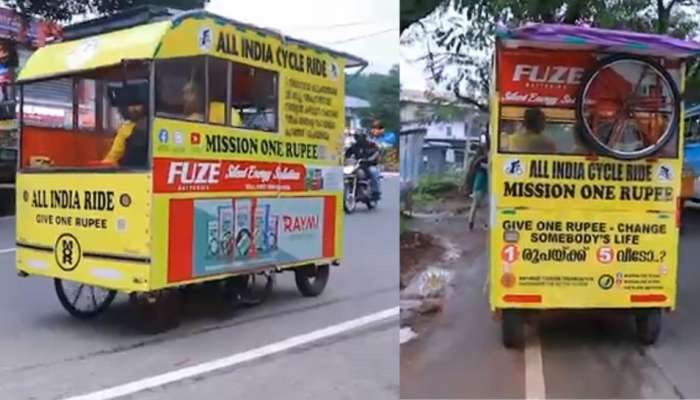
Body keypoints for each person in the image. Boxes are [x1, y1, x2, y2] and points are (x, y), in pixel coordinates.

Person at [102, 85, 149, 167]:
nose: (134, 109)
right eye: (131, 105)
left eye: (138, 105)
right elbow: (114, 155)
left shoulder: (152, 124)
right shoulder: (125, 128)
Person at [345, 131, 381, 200]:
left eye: (360, 137)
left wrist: (371, 158)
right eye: (357, 137)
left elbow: (377, 151)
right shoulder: (354, 146)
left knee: (373, 172)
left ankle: (376, 192)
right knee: (350, 173)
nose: (358, 139)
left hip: (369, 164)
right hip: (359, 165)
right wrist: (347, 159)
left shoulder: (370, 144)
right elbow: (347, 154)